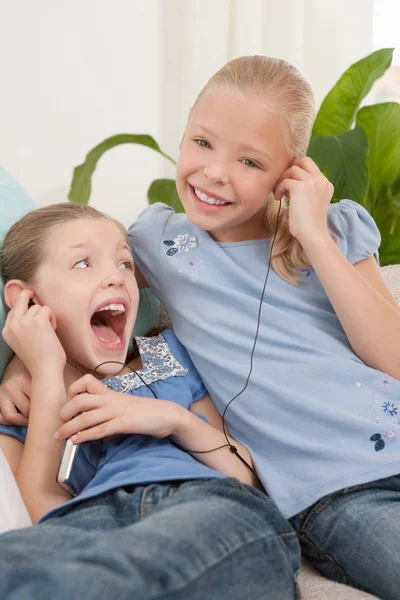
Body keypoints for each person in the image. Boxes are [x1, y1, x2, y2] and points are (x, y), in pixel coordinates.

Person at [0, 203, 300, 600]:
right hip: (84, 527)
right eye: (83, 264)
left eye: (125, 264)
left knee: (103, 575)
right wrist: (46, 371)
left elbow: (244, 475)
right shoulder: (21, 404)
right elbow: (39, 516)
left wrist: (172, 418)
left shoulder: (169, 357)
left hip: (205, 504)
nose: (114, 278)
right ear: (28, 302)